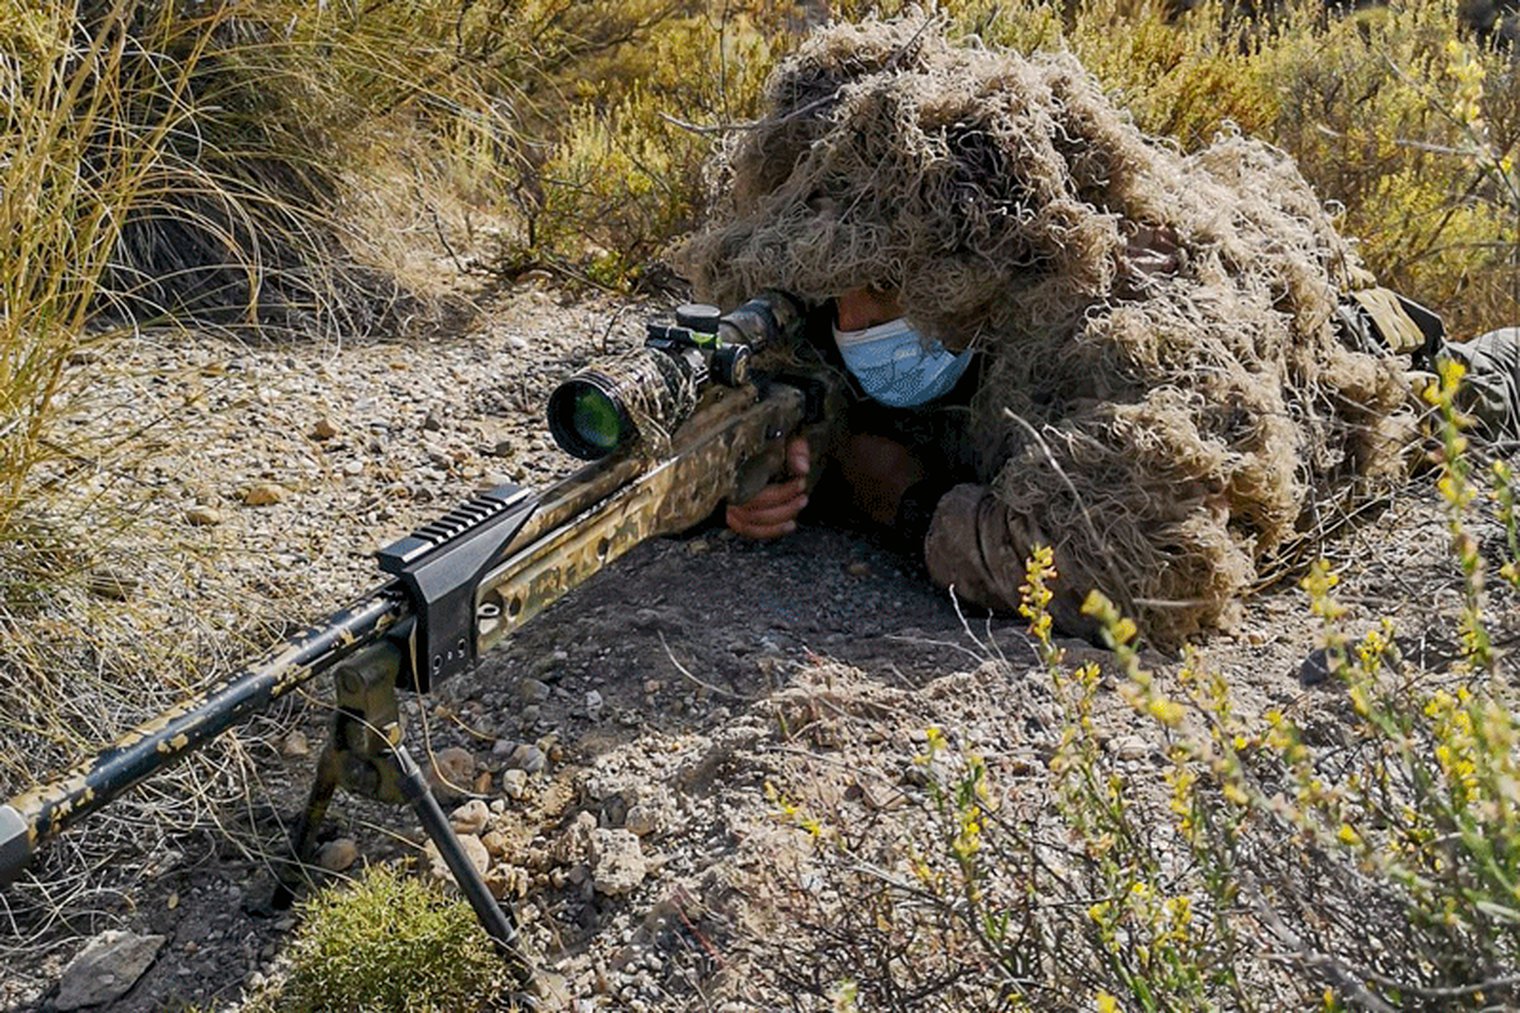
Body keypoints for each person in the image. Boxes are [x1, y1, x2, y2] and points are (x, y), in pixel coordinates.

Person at [677, 17, 1520, 647]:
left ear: (973, 268)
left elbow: (1144, 572)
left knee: (1474, 388)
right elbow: (766, 381)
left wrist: (901, 501)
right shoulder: (845, 237)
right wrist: (768, 473)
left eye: (885, 292)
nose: (853, 325)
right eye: (835, 297)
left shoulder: (1118, 317)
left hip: (1354, 372)